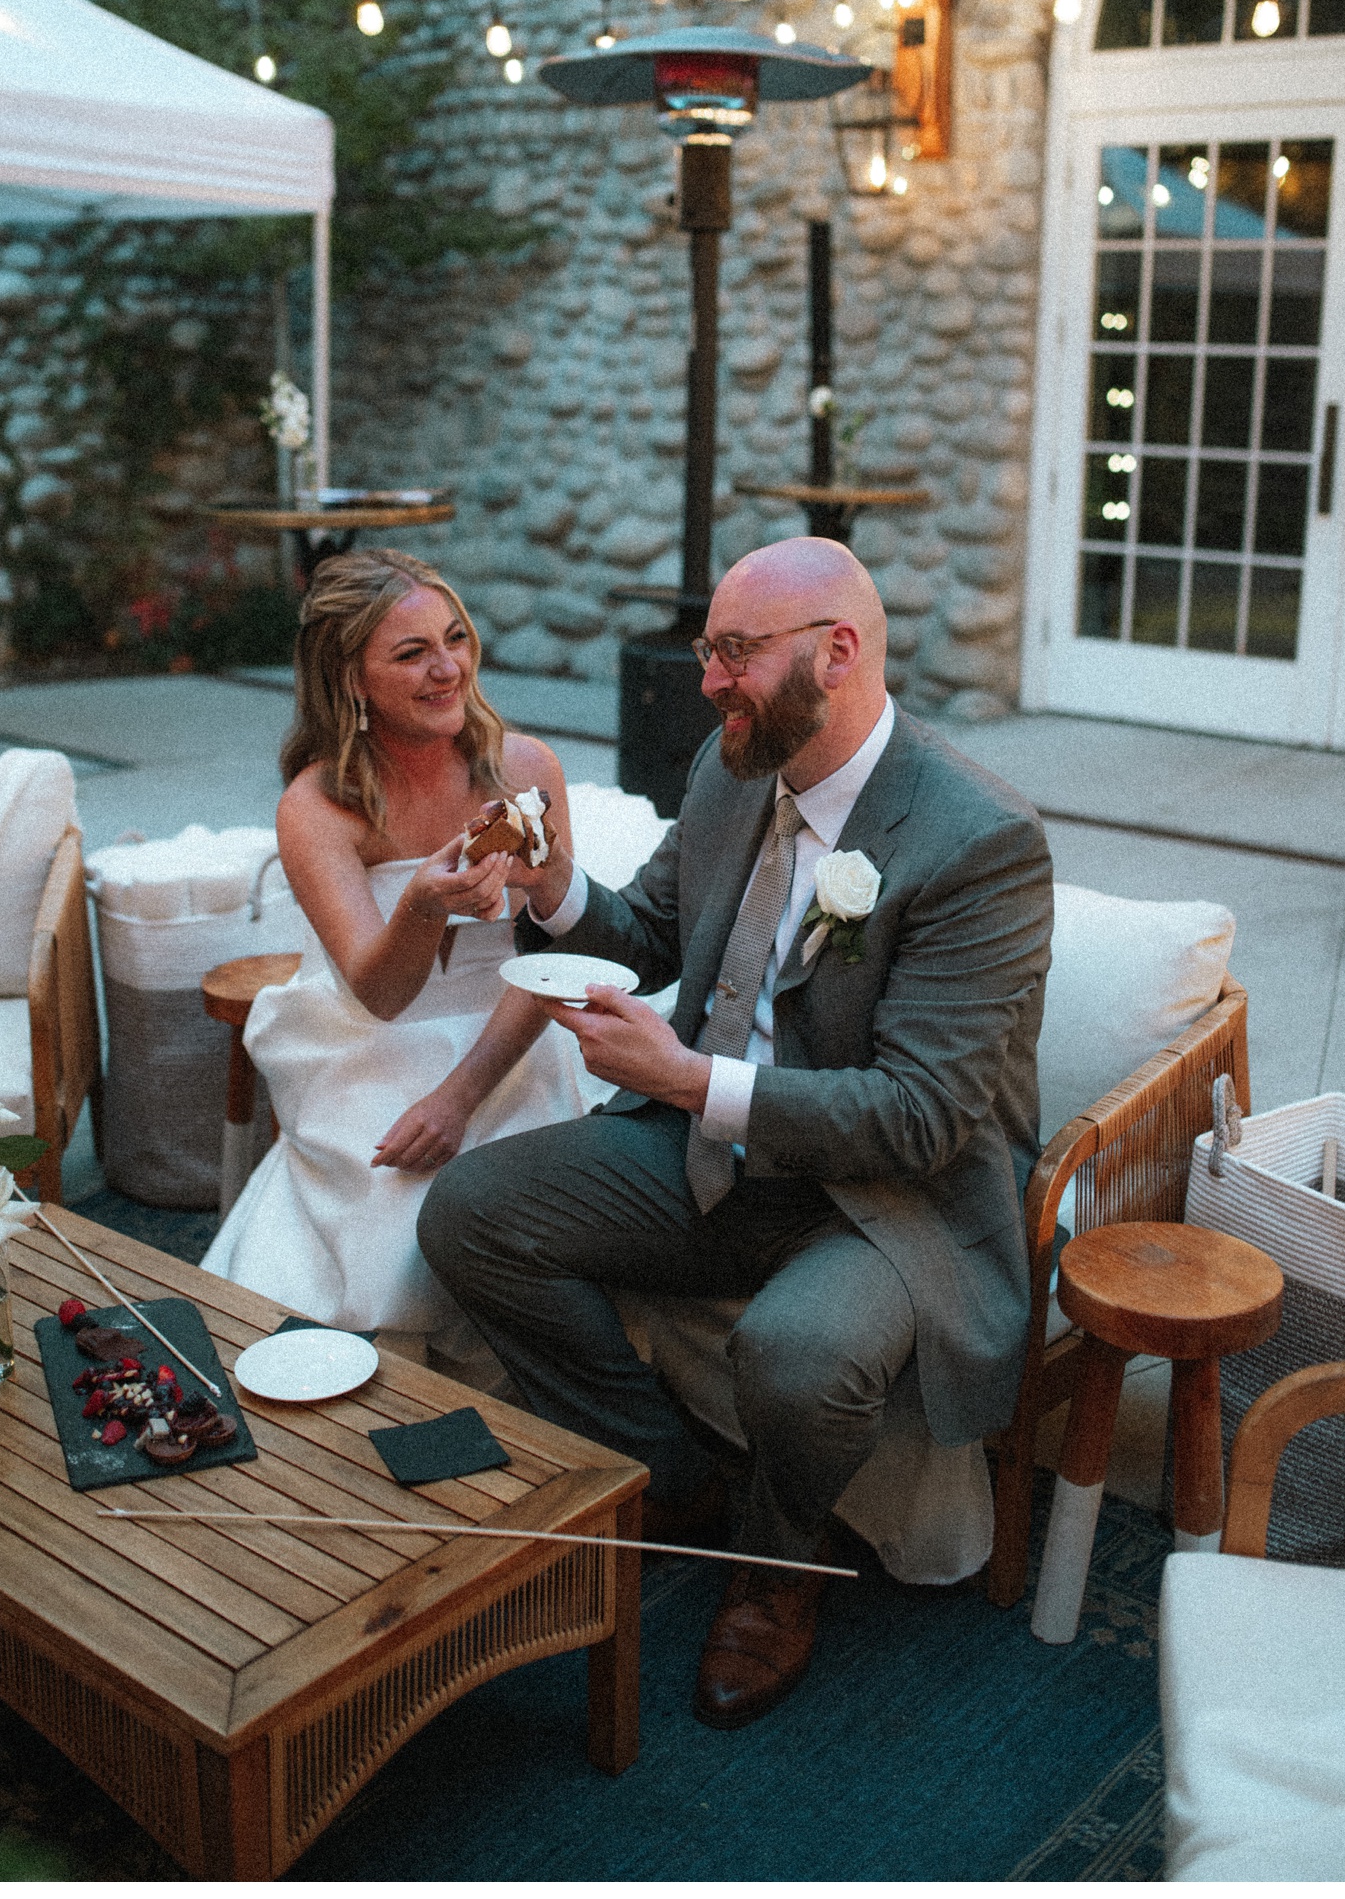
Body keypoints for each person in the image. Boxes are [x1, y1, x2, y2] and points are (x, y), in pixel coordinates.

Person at [418, 535, 1053, 1730]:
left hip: (883, 1202)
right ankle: (675, 1473)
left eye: (733, 652)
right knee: (470, 1214)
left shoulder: (981, 840)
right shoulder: (730, 770)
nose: (706, 678)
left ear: (839, 649)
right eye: (709, 650)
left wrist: (693, 1076)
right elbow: (647, 931)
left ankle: (775, 1574)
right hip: (711, 1153)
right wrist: (545, 888)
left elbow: (921, 1116)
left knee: (800, 1351)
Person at [201, 550, 593, 1354]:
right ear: (351, 677)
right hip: (371, 1028)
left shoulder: (522, 769)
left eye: (455, 638)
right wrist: (420, 902)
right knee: (386, 1207)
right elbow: (380, 992)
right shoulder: (319, 804)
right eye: (411, 654)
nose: (447, 668)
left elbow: (552, 953)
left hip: (511, 1025)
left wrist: (460, 1096)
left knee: (522, 1200)